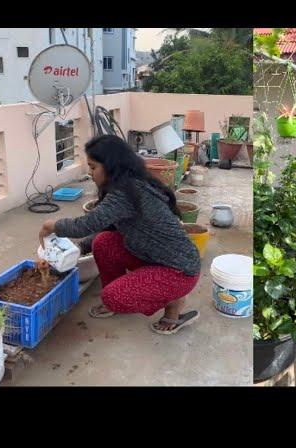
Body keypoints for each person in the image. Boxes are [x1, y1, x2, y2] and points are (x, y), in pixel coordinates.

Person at [39, 135, 201, 335]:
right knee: (103, 242)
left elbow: (85, 225)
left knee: (113, 297)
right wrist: (81, 247)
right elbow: (108, 227)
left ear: (111, 166)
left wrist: (51, 225)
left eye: (93, 167)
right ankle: (133, 293)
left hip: (179, 270)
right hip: (154, 257)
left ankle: (174, 302)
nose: (90, 173)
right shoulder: (129, 185)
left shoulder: (125, 192)